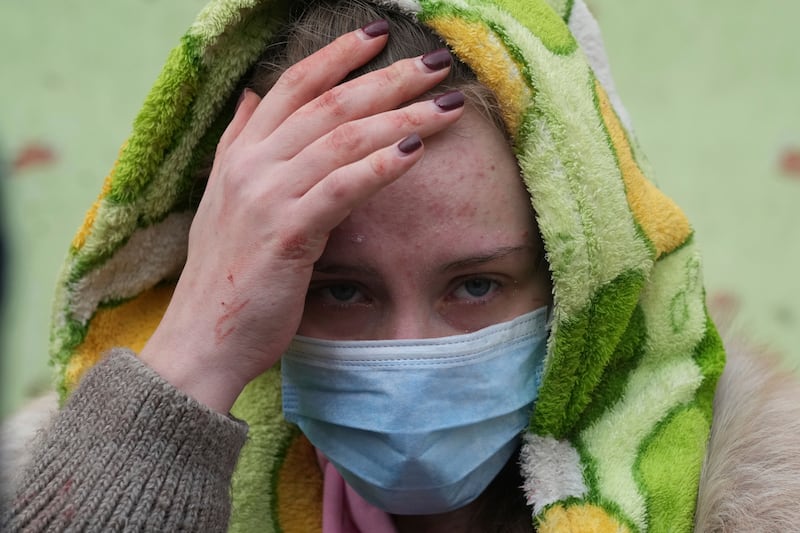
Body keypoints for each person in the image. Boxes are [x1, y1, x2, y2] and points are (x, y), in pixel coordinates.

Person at [4, 0, 800, 531]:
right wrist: (185, 366)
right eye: (340, 289)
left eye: (477, 283)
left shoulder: (743, 500)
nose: (410, 355)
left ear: (577, 279)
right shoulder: (69, 481)